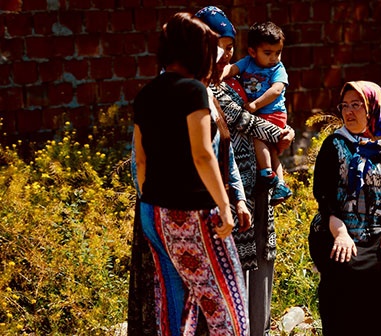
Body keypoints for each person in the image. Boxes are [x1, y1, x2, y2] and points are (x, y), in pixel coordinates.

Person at [132, 12, 248, 335]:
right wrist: (225, 206)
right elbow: (202, 154)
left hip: (153, 213)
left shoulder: (146, 95)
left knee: (173, 304)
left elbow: (141, 161)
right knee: (227, 302)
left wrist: (153, 199)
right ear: (197, 53)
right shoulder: (193, 92)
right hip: (193, 213)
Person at [196, 6, 295, 336]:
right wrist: (280, 134)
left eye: (228, 46)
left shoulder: (233, 82)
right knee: (233, 270)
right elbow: (246, 121)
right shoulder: (202, 91)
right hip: (225, 198)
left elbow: (262, 115)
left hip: (257, 189)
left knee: (260, 267)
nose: (224, 54)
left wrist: (280, 134)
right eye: (217, 45)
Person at [308, 81, 381, 336]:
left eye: (357, 105)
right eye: (345, 106)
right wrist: (340, 233)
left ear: (374, 107)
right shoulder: (335, 144)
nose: (349, 112)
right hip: (340, 227)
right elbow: (324, 197)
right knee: (344, 265)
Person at [222, 21, 292, 206]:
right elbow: (233, 69)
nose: (274, 58)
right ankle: (281, 184)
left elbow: (276, 90)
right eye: (268, 53)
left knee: (258, 138)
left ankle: (267, 172)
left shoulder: (277, 69)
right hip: (260, 114)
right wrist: (220, 75)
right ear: (252, 52)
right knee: (271, 150)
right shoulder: (248, 62)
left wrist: (255, 105)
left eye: (278, 53)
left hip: (272, 113)